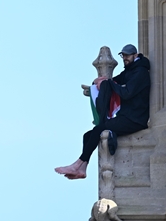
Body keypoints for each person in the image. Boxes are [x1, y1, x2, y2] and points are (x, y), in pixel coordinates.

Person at [55, 44, 151, 180]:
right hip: (127, 117)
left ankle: (77, 164)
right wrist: (97, 85)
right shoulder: (130, 71)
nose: (125, 58)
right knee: (87, 135)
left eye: (127, 56)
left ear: (135, 56)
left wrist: (109, 84)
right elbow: (114, 81)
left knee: (99, 129)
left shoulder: (140, 72)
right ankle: (82, 169)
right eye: (123, 56)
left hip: (135, 119)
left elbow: (126, 93)